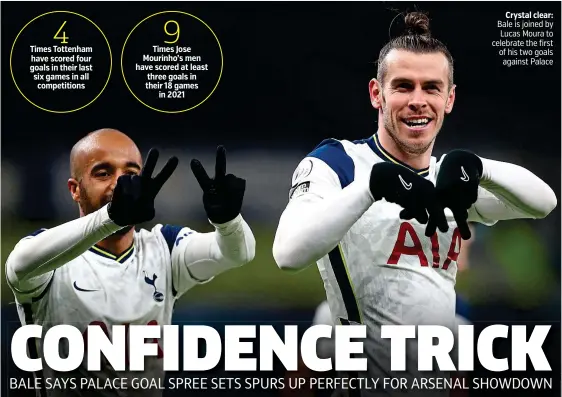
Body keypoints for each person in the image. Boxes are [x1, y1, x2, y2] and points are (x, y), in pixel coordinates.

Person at [272, 11, 556, 396]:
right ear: (377, 93)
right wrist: (371, 186)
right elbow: (288, 254)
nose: (418, 101)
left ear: (449, 98)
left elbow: (544, 202)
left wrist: (479, 166)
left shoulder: (450, 182)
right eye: (403, 86)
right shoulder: (338, 164)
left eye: (431, 88)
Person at [5, 128, 256, 396]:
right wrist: (113, 217)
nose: (119, 184)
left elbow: (237, 253)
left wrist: (229, 222)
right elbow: (19, 264)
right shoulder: (51, 257)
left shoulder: (164, 247)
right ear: (75, 190)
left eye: (131, 174)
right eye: (103, 173)